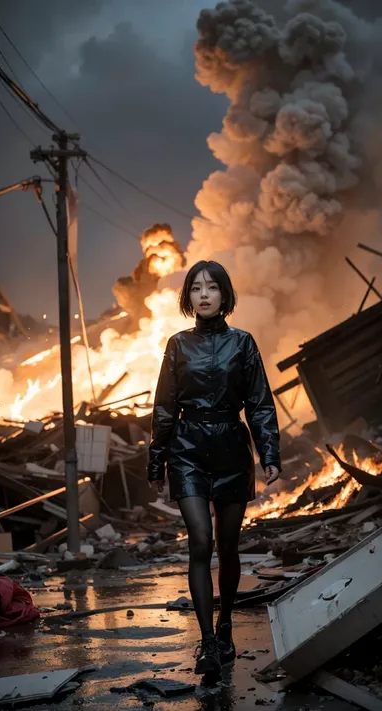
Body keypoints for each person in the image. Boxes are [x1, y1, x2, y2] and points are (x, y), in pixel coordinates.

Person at [147, 260, 281, 676]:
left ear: (225, 295)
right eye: (196, 288)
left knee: (227, 546)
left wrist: (269, 453)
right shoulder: (177, 345)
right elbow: (165, 406)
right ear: (187, 298)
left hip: (230, 451)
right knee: (200, 543)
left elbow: (259, 402)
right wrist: (157, 460)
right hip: (187, 449)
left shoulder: (243, 343)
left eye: (212, 287)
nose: (203, 295)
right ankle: (206, 642)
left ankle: (225, 625)